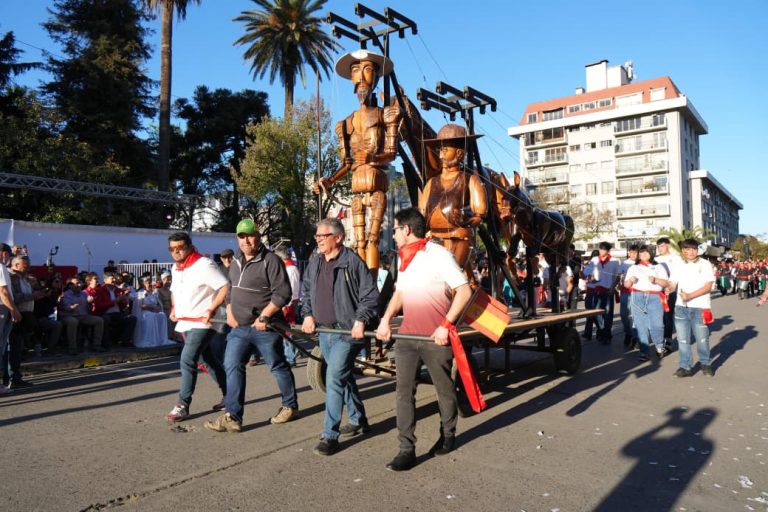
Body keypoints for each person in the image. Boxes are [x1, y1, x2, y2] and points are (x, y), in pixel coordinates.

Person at [376, 208, 473, 471]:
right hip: (407, 337)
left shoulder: (439, 254)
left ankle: (448, 434)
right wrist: (385, 320)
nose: (393, 235)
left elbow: (464, 292)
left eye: (395, 230)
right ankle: (406, 449)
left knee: (444, 389)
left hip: (435, 338)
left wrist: (445, 326)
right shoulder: (404, 257)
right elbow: (399, 293)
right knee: (403, 392)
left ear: (406, 229)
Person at [205, 219, 298, 433]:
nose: (246, 240)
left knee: (277, 365)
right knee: (232, 365)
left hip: (265, 327)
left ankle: (290, 406)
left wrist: (265, 316)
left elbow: (283, 293)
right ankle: (232, 416)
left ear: (258, 236)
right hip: (239, 327)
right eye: (241, 236)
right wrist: (229, 311)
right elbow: (230, 290)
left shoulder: (271, 260)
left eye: (250, 235)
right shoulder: (235, 261)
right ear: (237, 238)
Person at [314, 49, 401, 277]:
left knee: (372, 239)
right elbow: (347, 163)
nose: (361, 77)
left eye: (367, 70)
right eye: (355, 70)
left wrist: (372, 158)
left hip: (376, 184)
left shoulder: (385, 115)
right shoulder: (345, 124)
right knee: (358, 241)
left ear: (376, 77)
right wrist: (329, 180)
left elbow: (391, 152)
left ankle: (370, 286)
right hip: (356, 187)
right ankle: (360, 285)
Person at [301, 218, 379, 456]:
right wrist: (307, 314)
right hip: (325, 332)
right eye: (317, 236)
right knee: (343, 376)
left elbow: (370, 295)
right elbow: (306, 291)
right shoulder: (315, 262)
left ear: (338, 237)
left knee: (334, 376)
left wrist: (360, 320)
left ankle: (329, 436)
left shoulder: (352, 262)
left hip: (347, 332)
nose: (318, 240)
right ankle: (358, 419)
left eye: (323, 236)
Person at [165, 232, 228, 422]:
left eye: (180, 247)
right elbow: (174, 290)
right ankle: (230, 394)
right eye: (172, 249)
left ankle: (183, 405)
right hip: (186, 321)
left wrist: (211, 309)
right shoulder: (176, 268)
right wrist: (174, 308)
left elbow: (224, 286)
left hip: (203, 322)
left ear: (190, 246)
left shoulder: (204, 264)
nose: (176, 252)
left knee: (187, 359)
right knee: (207, 360)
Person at [418, 123, 488, 283]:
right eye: (440, 150)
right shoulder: (431, 183)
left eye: (445, 150)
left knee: (451, 278)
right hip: (433, 240)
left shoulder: (470, 180)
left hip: (459, 238)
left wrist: (467, 219)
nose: (440, 155)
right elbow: (421, 212)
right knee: (432, 282)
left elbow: (480, 213)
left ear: (459, 153)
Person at [666, 239, 715, 377]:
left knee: (702, 338)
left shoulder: (705, 264)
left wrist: (690, 295)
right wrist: (669, 288)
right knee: (682, 340)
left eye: (694, 249)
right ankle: (685, 367)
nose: (691, 252)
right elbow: (673, 282)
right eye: (687, 249)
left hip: (700, 307)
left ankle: (706, 364)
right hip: (681, 307)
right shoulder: (678, 264)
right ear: (683, 251)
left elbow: (708, 286)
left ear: (697, 250)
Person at [624, 245, 670, 362]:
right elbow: (626, 285)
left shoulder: (658, 266)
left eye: (646, 252)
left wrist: (656, 280)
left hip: (654, 297)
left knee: (657, 325)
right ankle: (644, 351)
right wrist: (630, 280)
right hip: (637, 296)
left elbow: (666, 283)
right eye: (641, 253)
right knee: (640, 325)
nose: (643, 255)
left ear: (651, 253)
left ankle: (659, 346)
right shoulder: (633, 267)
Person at [583, 241, 621, 344]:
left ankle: (606, 335)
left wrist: (613, 287)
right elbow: (586, 272)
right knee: (596, 313)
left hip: (608, 290)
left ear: (608, 251)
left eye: (603, 249)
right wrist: (589, 277)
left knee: (608, 314)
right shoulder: (594, 259)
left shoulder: (614, 261)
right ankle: (602, 330)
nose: (601, 251)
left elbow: (617, 276)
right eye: (600, 249)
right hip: (597, 290)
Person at [6, 256, 35, 387]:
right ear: (16, 265)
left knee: (17, 347)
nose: (28, 267)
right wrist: (32, 296)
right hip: (15, 316)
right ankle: (12, 378)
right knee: (12, 347)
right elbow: (13, 297)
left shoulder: (24, 278)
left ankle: (15, 377)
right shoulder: (11, 277)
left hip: (25, 316)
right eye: (25, 265)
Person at [59, 277, 105, 354]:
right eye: (77, 283)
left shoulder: (84, 294)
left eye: (80, 283)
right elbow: (66, 307)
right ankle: (72, 348)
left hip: (83, 316)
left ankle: (96, 345)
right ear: (70, 285)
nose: (80, 285)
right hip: (69, 316)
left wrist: (90, 302)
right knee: (73, 322)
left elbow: (89, 307)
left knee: (99, 320)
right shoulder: (66, 295)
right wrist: (71, 307)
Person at [91, 272, 137, 348]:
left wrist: (123, 300)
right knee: (106, 319)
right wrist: (114, 301)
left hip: (117, 313)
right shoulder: (100, 290)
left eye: (114, 278)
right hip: (105, 313)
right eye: (112, 278)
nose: (114, 280)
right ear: (105, 280)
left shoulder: (118, 290)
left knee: (132, 319)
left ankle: (125, 341)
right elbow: (99, 306)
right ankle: (106, 343)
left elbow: (123, 306)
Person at [274, 246, 300, 366]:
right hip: (286, 302)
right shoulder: (287, 267)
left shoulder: (291, 269)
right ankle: (291, 354)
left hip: (289, 302)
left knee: (288, 331)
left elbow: (293, 289)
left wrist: (286, 304)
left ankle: (290, 357)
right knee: (286, 330)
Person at [655, 237, 682, 350]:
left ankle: (668, 340)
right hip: (656, 291)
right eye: (658, 246)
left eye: (662, 246)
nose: (660, 248)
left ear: (668, 246)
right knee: (657, 317)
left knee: (667, 316)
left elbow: (678, 274)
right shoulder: (655, 259)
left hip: (670, 291)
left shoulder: (676, 258)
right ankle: (659, 341)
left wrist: (670, 287)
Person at [132, 276, 171, 347]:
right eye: (148, 283)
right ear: (143, 284)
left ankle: (161, 339)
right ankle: (150, 340)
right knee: (151, 316)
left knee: (162, 315)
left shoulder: (154, 294)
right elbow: (141, 306)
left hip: (154, 311)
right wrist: (152, 307)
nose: (150, 284)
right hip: (144, 313)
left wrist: (155, 308)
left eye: (150, 283)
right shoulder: (140, 293)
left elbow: (159, 306)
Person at [619, 244, 639, 347]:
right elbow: (618, 277)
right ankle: (628, 332)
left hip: (637, 292)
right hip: (625, 292)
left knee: (636, 316)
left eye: (635, 252)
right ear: (628, 253)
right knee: (624, 314)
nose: (633, 254)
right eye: (631, 252)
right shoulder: (624, 263)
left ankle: (636, 337)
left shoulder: (640, 263)